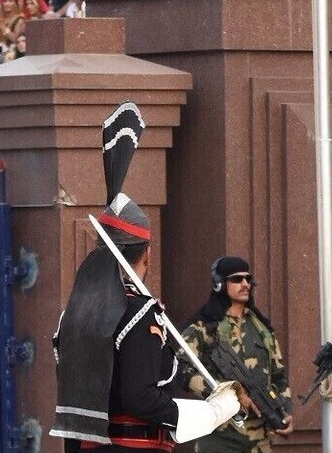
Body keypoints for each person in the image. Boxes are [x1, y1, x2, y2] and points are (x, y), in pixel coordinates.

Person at [53, 103, 244, 452]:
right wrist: (211, 412)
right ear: (147, 254)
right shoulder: (141, 313)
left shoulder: (73, 314)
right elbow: (138, 397)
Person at [180, 256, 293, 452]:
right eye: (237, 279)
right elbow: (181, 369)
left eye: (248, 279)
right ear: (220, 284)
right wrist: (230, 394)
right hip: (218, 435)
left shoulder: (261, 328)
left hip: (259, 439)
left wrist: (285, 413)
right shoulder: (204, 326)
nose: (245, 284)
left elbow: (279, 376)